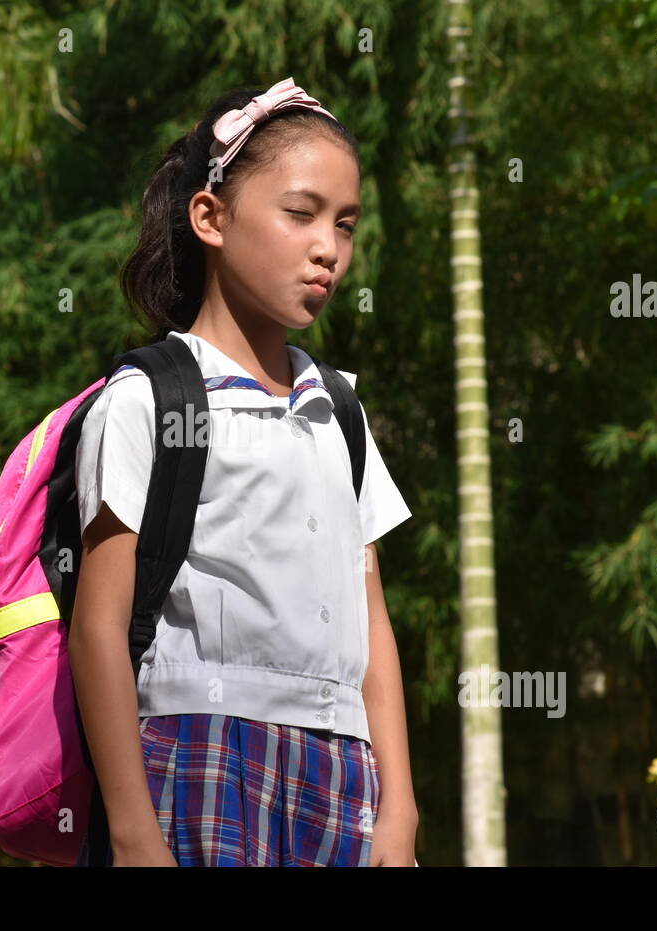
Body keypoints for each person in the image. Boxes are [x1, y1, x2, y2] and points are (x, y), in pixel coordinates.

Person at [68, 77, 417, 866]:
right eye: (300, 214)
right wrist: (132, 833)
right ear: (210, 217)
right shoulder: (146, 399)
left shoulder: (340, 413)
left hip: (343, 777)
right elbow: (97, 624)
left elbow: (373, 624)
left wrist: (400, 811)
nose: (328, 247)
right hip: (201, 761)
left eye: (346, 224)